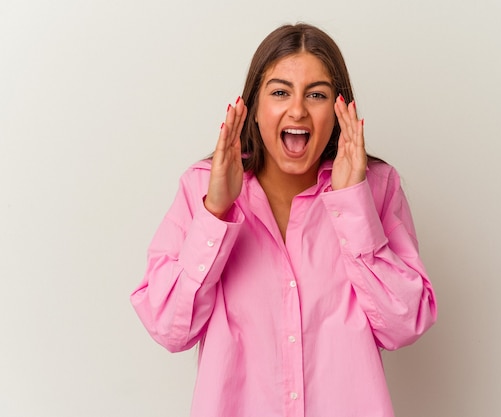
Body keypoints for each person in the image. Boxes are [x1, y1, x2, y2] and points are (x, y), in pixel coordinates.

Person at [131, 23, 437, 417]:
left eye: (317, 95)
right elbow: (169, 327)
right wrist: (216, 212)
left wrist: (352, 204)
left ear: (340, 109)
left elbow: (406, 324)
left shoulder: (376, 188)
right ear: (254, 108)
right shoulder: (200, 189)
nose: (297, 110)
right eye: (279, 92)